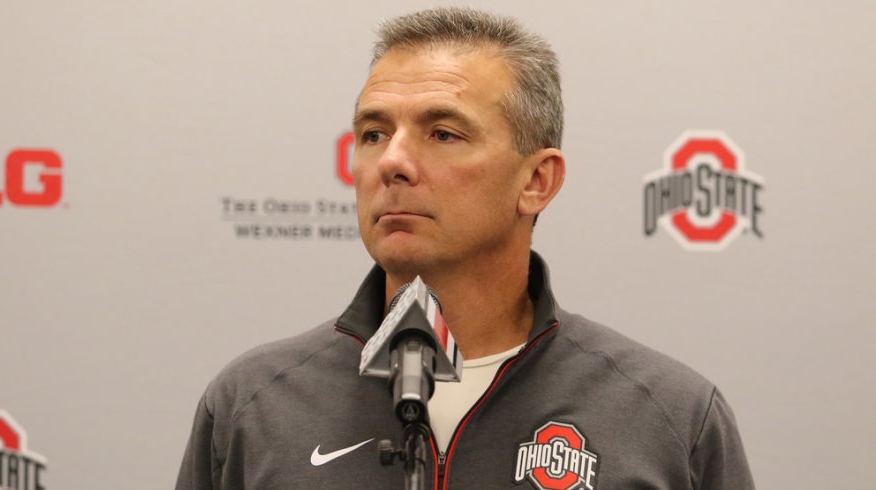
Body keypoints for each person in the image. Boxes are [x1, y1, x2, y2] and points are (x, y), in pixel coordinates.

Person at [176, 7, 755, 490]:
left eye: (443, 133)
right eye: (373, 133)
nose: (393, 162)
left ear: (537, 182)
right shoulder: (252, 405)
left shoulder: (669, 417)